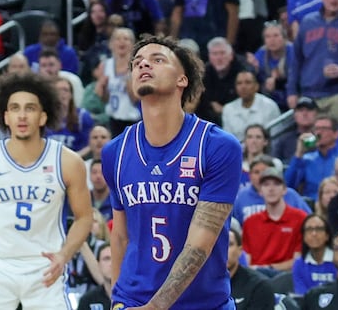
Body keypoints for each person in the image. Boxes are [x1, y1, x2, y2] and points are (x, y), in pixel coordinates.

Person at [102, 35, 242, 310]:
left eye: (157, 60)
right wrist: (116, 303)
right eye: (137, 63)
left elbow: (199, 245)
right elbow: (119, 236)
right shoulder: (114, 152)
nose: (144, 65)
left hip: (203, 304)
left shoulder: (216, 145)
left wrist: (155, 308)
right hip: (133, 301)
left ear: (182, 79)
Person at [0, 71, 93, 310]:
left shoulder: (67, 161)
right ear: (6, 116)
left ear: (43, 117)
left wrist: (64, 256)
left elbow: (85, 217)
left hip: (46, 266)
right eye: (15, 108)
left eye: (30, 108)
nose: (22, 115)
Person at [225, 226, 274, 310]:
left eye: (229, 244)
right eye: (218, 245)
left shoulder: (259, 286)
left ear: (240, 251)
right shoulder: (203, 284)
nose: (224, 249)